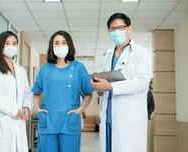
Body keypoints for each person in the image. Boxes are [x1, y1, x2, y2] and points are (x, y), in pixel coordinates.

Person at [91, 13, 152, 152]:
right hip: (108, 116)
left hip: (129, 116)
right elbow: (106, 80)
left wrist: (111, 86)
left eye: (120, 28)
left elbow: (142, 82)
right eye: (112, 29)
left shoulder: (140, 52)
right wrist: (100, 88)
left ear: (129, 29)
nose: (116, 32)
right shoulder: (108, 54)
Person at [32, 30, 93, 152]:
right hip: (48, 121)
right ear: (52, 46)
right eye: (56, 43)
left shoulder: (78, 68)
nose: (60, 46)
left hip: (69, 120)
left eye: (64, 42)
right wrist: (38, 109)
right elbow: (36, 93)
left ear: (69, 45)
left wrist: (80, 110)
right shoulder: (45, 69)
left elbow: (89, 93)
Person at [0, 31, 33, 152]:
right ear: (1, 46)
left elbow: (27, 92)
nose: (11, 46)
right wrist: (14, 109)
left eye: (14, 43)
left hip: (18, 123)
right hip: (0, 123)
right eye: (7, 43)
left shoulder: (20, 70)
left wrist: (26, 107)